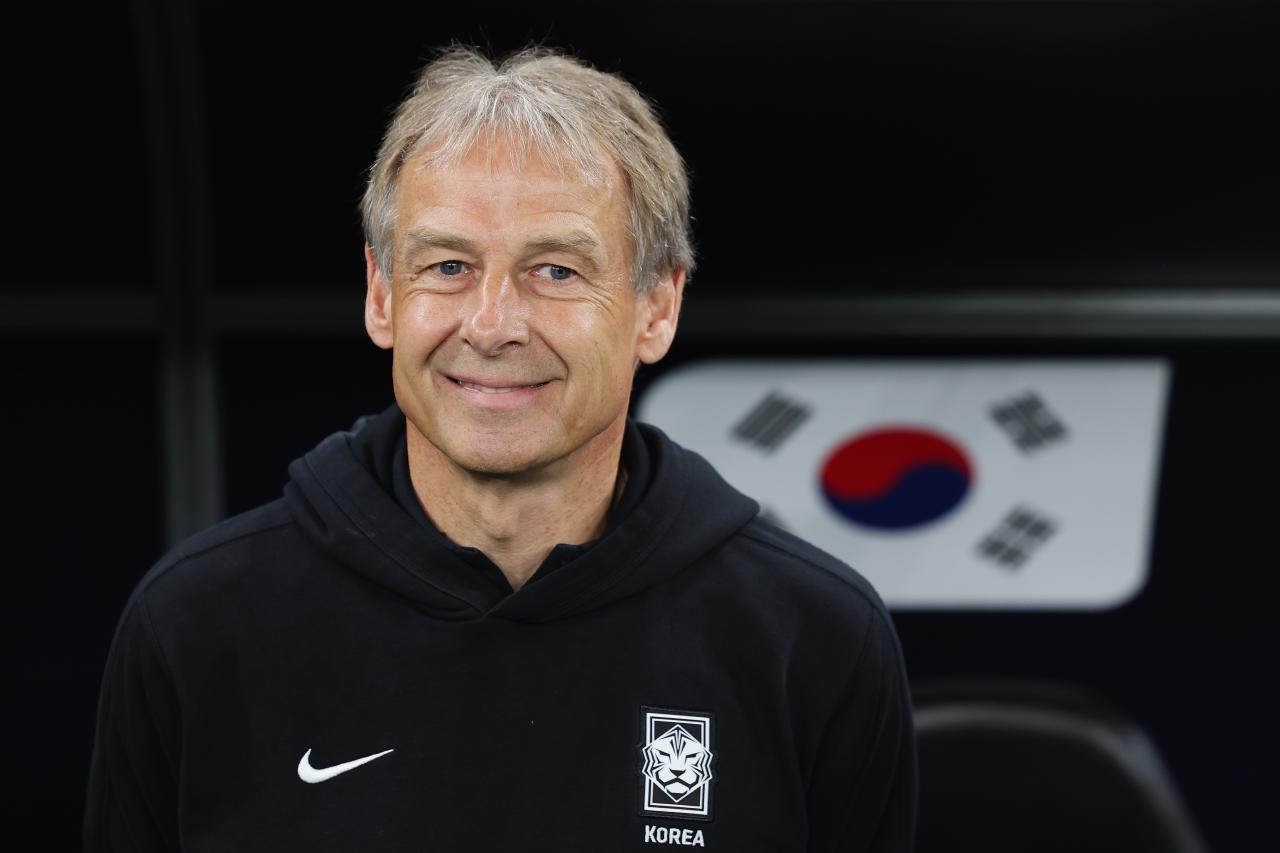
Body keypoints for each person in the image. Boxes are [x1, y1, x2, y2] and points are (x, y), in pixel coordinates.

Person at [85, 46, 916, 852]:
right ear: (381, 295)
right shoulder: (195, 625)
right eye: (448, 265)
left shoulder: (815, 639)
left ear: (658, 307)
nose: (491, 326)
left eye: (555, 271)